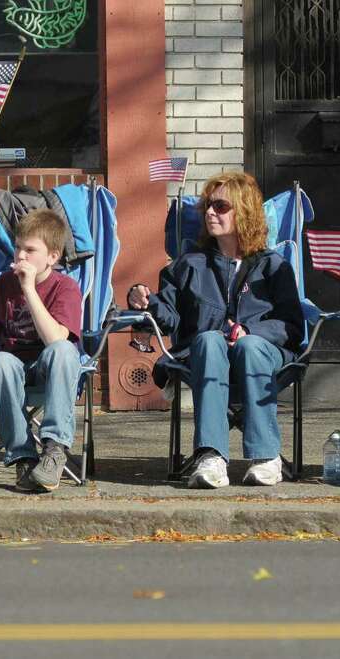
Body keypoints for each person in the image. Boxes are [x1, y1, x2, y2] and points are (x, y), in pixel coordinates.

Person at [128, 171, 304, 489]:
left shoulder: (274, 266)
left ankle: (266, 457)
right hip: (207, 356)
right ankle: (211, 456)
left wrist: (250, 331)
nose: (210, 212)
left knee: (250, 346)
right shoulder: (188, 264)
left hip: (262, 354)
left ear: (244, 212)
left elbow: (291, 326)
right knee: (209, 340)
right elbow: (170, 320)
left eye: (221, 207)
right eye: (208, 206)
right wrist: (146, 302)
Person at [0, 209, 83, 493]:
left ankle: (54, 449)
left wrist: (29, 290)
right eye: (17, 248)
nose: (20, 256)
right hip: (13, 370)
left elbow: (56, 340)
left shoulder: (66, 288)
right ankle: (23, 455)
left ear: (53, 256)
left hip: (53, 372)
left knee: (62, 350)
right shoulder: (3, 284)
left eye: (30, 250)